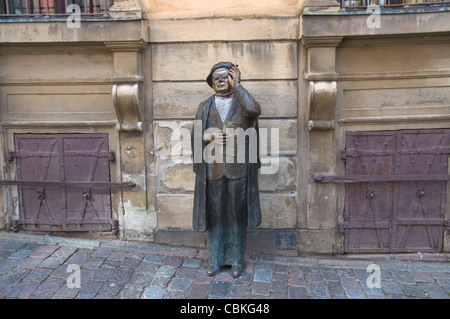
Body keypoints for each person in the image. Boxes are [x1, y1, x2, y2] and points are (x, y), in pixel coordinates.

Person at [191, 62, 262, 278]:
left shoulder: (243, 103)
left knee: (236, 216)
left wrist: (238, 86)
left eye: (225, 76)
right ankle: (215, 260)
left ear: (233, 78)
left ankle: (237, 261)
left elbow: (255, 110)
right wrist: (207, 136)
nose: (221, 80)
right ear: (211, 83)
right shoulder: (204, 107)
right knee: (216, 217)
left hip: (238, 169)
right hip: (213, 171)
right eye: (216, 78)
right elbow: (195, 137)